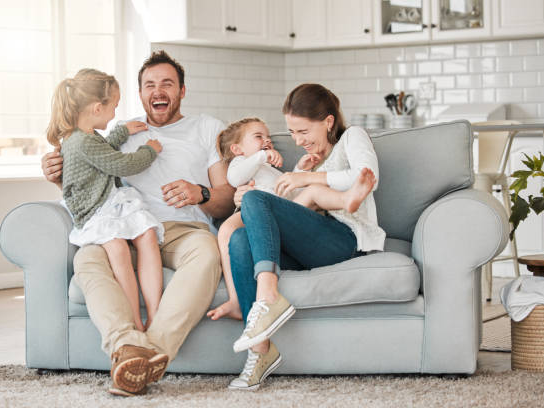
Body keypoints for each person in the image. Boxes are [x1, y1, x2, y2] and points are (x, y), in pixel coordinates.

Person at [41, 51, 235, 397]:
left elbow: (227, 196)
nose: (158, 91)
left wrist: (200, 192)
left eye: (167, 84)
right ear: (140, 93)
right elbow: (85, 180)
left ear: (182, 90)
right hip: (126, 229)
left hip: (182, 230)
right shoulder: (118, 132)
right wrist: (57, 176)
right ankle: (126, 346)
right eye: (149, 85)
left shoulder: (207, 128)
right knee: (87, 258)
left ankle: (146, 355)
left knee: (207, 254)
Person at [226, 83, 386, 391]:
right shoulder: (308, 161)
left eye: (303, 131)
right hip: (309, 240)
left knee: (256, 202)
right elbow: (293, 209)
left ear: (328, 122)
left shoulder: (353, 136)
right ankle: (260, 352)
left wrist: (307, 177)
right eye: (292, 132)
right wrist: (248, 197)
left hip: (345, 238)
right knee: (239, 240)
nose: (297, 141)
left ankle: (268, 298)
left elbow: (367, 174)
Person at [207, 117, 376, 322]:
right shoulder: (242, 162)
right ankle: (238, 303)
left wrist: (300, 170)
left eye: (268, 137)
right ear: (237, 149)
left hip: (278, 216)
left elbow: (286, 194)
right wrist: (262, 156)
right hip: (255, 213)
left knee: (313, 192)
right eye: (258, 137)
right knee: (231, 233)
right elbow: (235, 178)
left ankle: (345, 199)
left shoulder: (268, 169)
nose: (267, 140)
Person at [46, 68, 165, 334]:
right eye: (114, 107)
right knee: (120, 252)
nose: (114, 114)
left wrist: (121, 132)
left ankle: (154, 312)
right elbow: (121, 164)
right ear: (97, 108)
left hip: (104, 204)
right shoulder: (82, 142)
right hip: (95, 211)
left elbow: (103, 152)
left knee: (146, 234)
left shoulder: (83, 137)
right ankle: (135, 320)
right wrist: (150, 150)